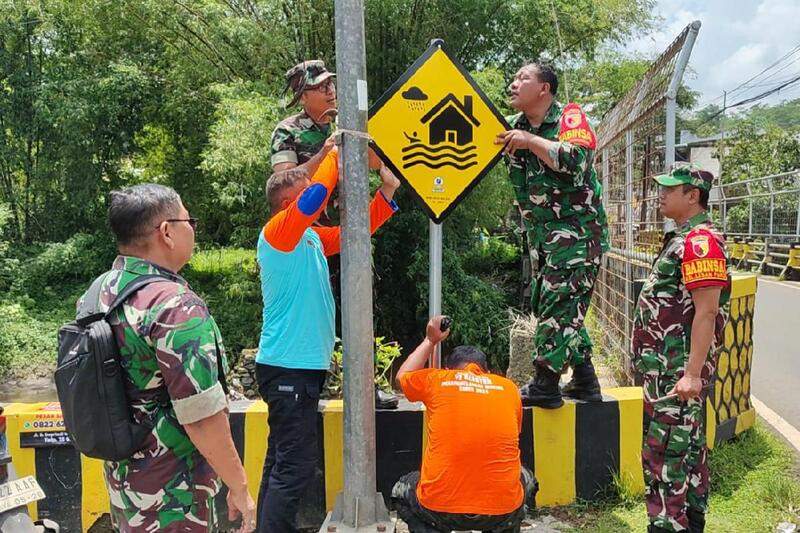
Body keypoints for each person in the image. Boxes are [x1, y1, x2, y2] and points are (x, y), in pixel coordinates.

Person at [79, 184, 256, 532]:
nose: (192, 228)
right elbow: (202, 418)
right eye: (188, 220)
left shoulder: (98, 292)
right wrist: (240, 486)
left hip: (124, 487)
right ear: (167, 232)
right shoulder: (176, 306)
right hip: (175, 497)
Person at [255, 148, 401, 532]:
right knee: (295, 465)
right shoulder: (278, 233)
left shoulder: (310, 239)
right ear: (289, 203)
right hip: (289, 366)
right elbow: (316, 195)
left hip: (298, 367)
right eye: (303, 195)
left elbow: (357, 232)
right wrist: (339, 151)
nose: (319, 202)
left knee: (281, 461)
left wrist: (385, 194)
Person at [271, 59, 397, 410]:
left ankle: (366, 386)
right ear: (302, 95)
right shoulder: (289, 131)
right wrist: (324, 155)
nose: (330, 91)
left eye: (331, 84)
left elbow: (376, 161)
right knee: (312, 314)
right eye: (321, 86)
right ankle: (316, 385)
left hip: (349, 235)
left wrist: (366, 138)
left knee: (360, 306)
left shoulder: (347, 126)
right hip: (306, 241)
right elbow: (282, 184)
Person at [494, 61, 609, 408]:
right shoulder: (513, 128)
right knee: (556, 307)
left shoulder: (569, 118)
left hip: (577, 238)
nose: (513, 84)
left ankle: (545, 384)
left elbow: (576, 162)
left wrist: (530, 141)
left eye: (522, 78)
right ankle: (586, 379)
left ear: (544, 88)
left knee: (558, 307)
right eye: (513, 78)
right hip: (543, 242)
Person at [632, 164, 729, 533]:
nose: (661, 194)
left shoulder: (699, 241)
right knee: (685, 450)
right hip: (667, 371)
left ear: (693, 196)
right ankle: (688, 521)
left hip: (675, 374)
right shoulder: (683, 238)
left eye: (670, 189)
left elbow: (707, 310)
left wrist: (691, 374)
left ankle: (667, 523)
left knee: (665, 453)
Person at [391, 316, 538, 533]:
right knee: (526, 477)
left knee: (401, 489)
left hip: (439, 510)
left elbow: (403, 376)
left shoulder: (438, 380)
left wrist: (430, 341)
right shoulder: (509, 389)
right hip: (501, 511)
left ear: (449, 369)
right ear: (486, 371)